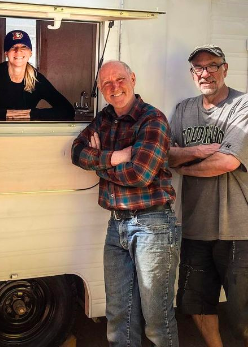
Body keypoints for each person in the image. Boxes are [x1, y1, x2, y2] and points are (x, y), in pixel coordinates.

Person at [168, 45, 248, 347]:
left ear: (224, 69)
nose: (206, 73)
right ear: (192, 74)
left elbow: (228, 162)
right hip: (196, 226)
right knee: (196, 302)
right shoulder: (184, 110)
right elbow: (166, 155)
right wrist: (197, 152)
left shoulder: (244, 105)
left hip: (241, 227)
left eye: (212, 66)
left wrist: (185, 167)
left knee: (245, 312)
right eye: (199, 68)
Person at [71, 60, 180, 347]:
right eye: (106, 83)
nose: (114, 87)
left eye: (119, 79)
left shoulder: (152, 120)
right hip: (116, 224)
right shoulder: (104, 118)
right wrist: (114, 157)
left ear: (132, 78)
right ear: (100, 89)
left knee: (157, 319)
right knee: (119, 316)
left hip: (153, 225)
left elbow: (140, 174)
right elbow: (77, 152)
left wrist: (98, 162)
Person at [0, 30, 75, 120]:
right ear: (6, 53)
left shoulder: (37, 79)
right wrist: (6, 114)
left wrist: (30, 114)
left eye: (24, 47)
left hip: (26, 135)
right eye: (13, 47)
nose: (18, 51)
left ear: (30, 53)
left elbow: (68, 111)